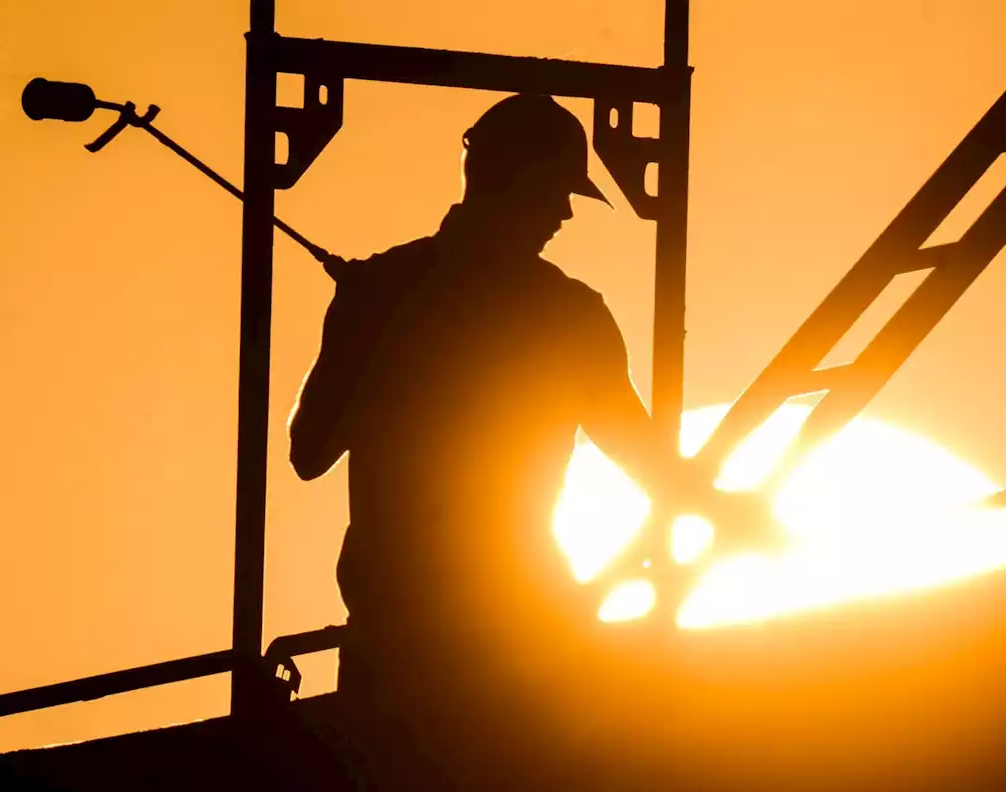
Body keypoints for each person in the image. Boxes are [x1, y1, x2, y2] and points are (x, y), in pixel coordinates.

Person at [287, 94, 763, 790]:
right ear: (509, 181)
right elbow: (309, 454)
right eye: (555, 194)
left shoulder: (386, 293)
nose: (565, 216)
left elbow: (309, 449)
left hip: (425, 642)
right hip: (492, 645)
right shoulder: (560, 315)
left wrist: (373, 328)